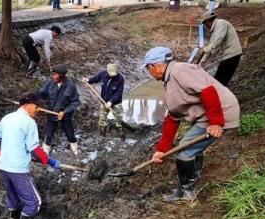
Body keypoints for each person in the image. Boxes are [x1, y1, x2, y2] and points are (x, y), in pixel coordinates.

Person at [142, 47, 239, 202]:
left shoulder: (179, 70)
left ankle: (186, 193)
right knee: (191, 147)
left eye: (148, 68)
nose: (149, 72)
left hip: (221, 112)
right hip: (207, 116)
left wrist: (216, 123)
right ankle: (194, 178)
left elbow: (208, 91)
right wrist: (161, 150)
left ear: (156, 65)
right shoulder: (170, 80)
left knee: (185, 151)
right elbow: (173, 118)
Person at [0, 92, 61, 219]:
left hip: (4, 166)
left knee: (13, 196)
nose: (38, 109)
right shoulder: (29, 122)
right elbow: (34, 149)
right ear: (27, 105)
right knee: (35, 202)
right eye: (36, 106)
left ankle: (12, 218)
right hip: (19, 169)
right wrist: (49, 160)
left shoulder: (7, 118)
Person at [36, 65, 81, 155]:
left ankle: (74, 148)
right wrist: (33, 101)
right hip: (52, 113)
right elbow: (41, 93)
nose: (53, 77)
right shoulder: (50, 83)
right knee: (48, 133)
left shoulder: (70, 85)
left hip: (65, 116)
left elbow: (75, 102)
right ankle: (45, 151)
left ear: (61, 75)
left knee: (70, 134)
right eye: (53, 74)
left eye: (55, 74)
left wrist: (64, 112)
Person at [199, 10, 243, 87]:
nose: (205, 26)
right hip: (227, 57)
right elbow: (212, 47)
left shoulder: (221, 23)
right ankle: (219, 95)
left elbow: (218, 39)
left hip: (232, 55)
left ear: (207, 21)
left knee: (219, 83)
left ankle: (219, 97)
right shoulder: (215, 30)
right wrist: (202, 61)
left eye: (204, 24)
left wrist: (209, 47)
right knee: (219, 82)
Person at [83, 63, 125, 135]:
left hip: (116, 103)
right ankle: (102, 135)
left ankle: (121, 135)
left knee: (118, 120)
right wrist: (88, 80)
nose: (112, 76)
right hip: (104, 101)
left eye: (114, 74)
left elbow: (119, 93)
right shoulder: (102, 74)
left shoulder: (120, 79)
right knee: (102, 120)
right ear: (107, 72)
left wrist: (111, 101)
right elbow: (95, 79)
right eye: (111, 74)